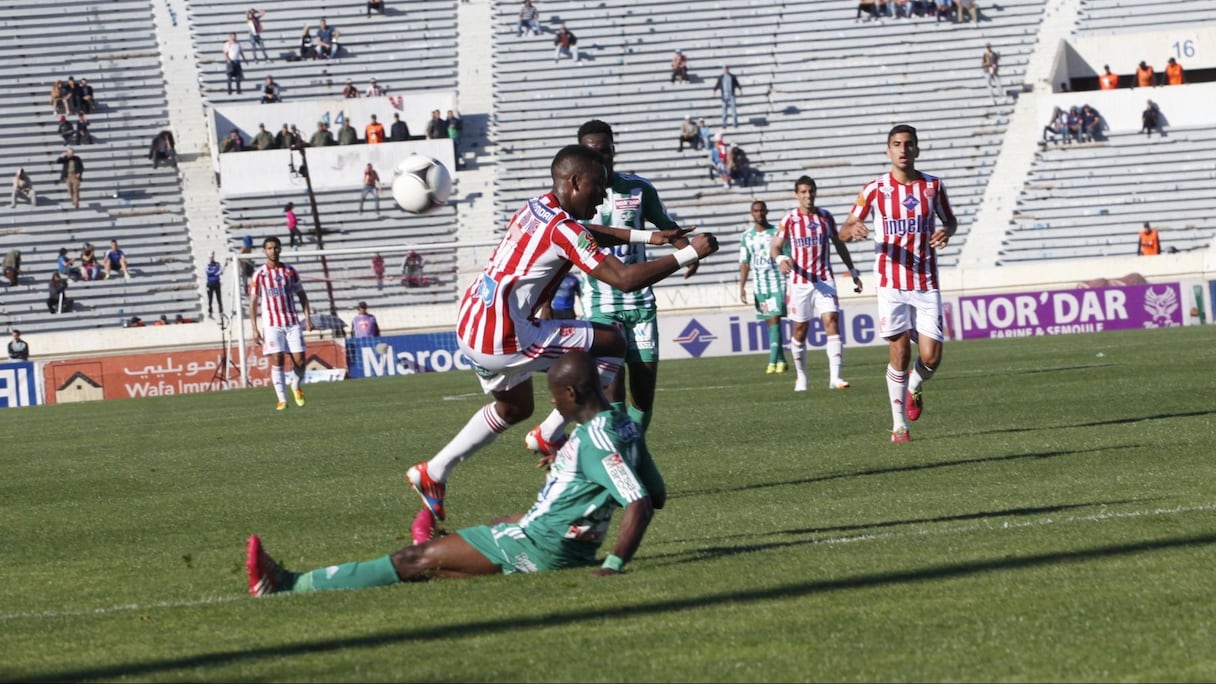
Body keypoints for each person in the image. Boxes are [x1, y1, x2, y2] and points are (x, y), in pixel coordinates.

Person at [403, 144, 717, 522]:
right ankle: (550, 433)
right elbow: (624, 279)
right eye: (597, 186)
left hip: (472, 322)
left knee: (515, 407)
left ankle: (434, 472)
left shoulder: (537, 206)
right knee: (613, 340)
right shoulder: (563, 228)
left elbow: (588, 231)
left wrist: (649, 239)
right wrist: (689, 253)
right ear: (574, 181)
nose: (602, 196)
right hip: (505, 334)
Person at [248, 349, 665, 596]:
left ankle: (286, 583)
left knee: (414, 560)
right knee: (496, 526)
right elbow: (656, 491)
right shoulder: (624, 425)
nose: (554, 404)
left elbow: (642, 503)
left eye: (555, 397)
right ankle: (444, 548)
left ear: (571, 393)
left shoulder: (596, 441)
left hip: (540, 546)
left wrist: (613, 564)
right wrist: (580, 481)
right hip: (560, 541)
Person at [526, 120, 699, 473]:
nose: (599, 157)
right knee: (612, 393)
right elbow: (559, 248)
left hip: (640, 303)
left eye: (604, 150)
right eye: (591, 152)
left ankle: (630, 449)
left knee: (644, 395)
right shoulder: (572, 202)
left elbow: (663, 225)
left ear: (613, 150)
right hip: (601, 305)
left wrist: (688, 251)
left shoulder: (637, 189)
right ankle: (620, 463)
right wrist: (546, 301)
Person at [839, 124, 958, 444]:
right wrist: (854, 230)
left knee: (931, 358)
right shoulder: (875, 189)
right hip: (891, 283)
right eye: (896, 144)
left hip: (925, 281)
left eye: (908, 144)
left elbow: (951, 220)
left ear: (917, 149)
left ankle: (914, 386)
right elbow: (844, 230)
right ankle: (899, 426)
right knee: (900, 349)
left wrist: (946, 231)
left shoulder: (933, 186)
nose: (903, 149)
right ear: (888, 150)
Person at [771, 176, 863, 392]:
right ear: (797, 195)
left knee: (831, 320)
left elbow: (839, 245)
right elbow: (775, 246)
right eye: (803, 192)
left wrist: (852, 270)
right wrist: (780, 259)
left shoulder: (825, 217)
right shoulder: (790, 219)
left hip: (824, 279)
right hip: (800, 283)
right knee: (800, 330)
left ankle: (836, 377)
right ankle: (801, 377)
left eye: (811, 191)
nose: (808, 195)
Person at [248, 236, 315, 410]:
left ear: (280, 249)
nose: (273, 251)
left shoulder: (290, 271)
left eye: (276, 247)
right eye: (269, 248)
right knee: (277, 358)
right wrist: (254, 329)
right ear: (264, 251)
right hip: (272, 324)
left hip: (292, 322)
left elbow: (302, 295)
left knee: (300, 361)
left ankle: (295, 386)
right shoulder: (259, 274)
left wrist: (307, 318)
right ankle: (282, 399)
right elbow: (253, 303)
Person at [738, 200, 788, 375]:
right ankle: (781, 360)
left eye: (762, 210)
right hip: (759, 287)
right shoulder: (746, 237)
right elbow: (745, 263)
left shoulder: (776, 233)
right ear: (752, 214)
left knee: (774, 318)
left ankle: (772, 361)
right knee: (769, 322)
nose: (759, 213)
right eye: (756, 211)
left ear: (766, 212)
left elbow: (786, 254)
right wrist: (742, 286)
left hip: (777, 282)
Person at [206, 251, 223, 317]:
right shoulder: (207, 265)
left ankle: (221, 311)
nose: (211, 258)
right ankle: (210, 312)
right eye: (210, 257)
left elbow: (221, 271)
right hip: (210, 283)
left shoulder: (217, 264)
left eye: (212, 257)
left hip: (216, 283)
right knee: (210, 298)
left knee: (219, 298)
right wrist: (216, 272)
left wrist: (216, 272)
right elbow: (209, 272)